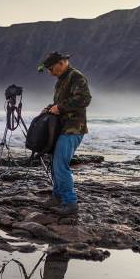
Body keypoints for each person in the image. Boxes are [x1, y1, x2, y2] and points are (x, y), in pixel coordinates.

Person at [38, 52, 92, 215]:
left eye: (51, 68)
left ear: (62, 63)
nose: (49, 72)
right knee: (56, 164)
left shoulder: (75, 76)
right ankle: (57, 197)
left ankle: (70, 203)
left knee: (60, 165)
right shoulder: (62, 79)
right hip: (63, 128)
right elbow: (59, 102)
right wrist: (50, 108)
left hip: (73, 128)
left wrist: (59, 108)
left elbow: (84, 98)